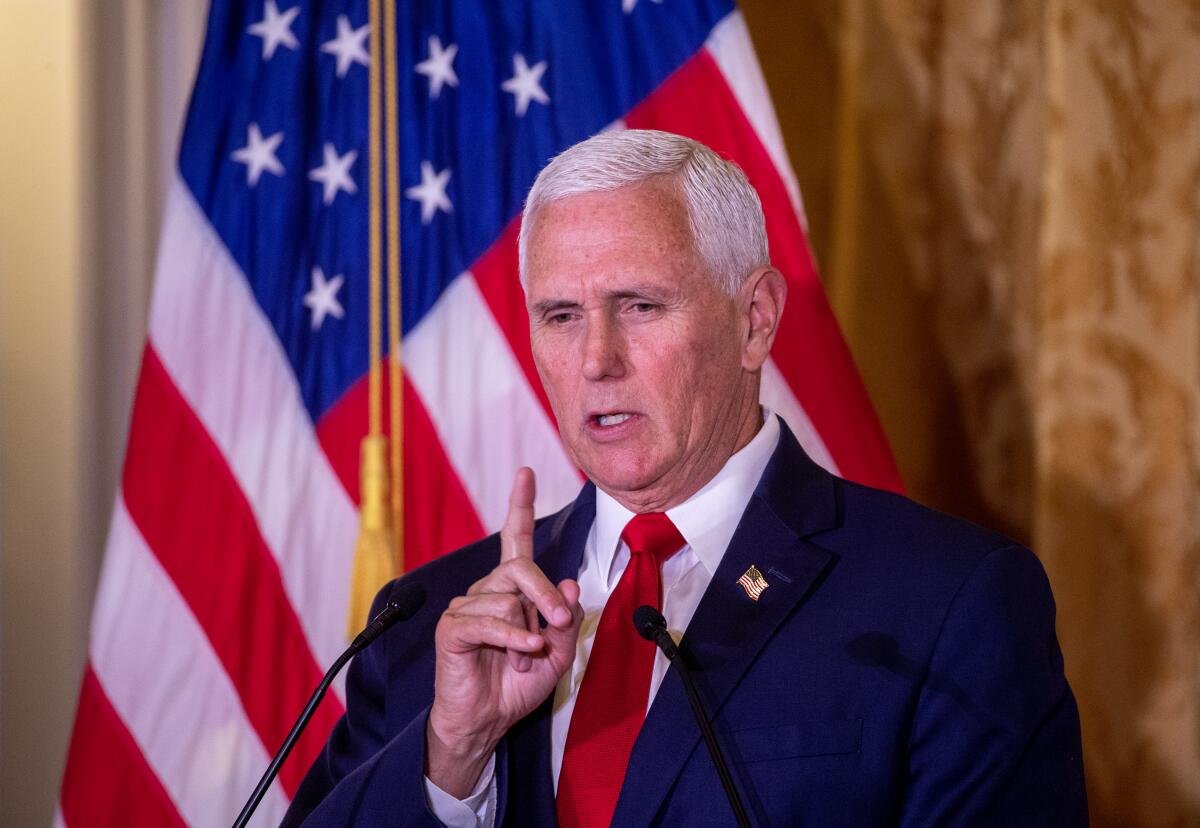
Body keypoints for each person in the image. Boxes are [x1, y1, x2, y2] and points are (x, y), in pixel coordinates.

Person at [284, 129, 1087, 827]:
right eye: (561, 316)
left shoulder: (943, 604)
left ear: (754, 320)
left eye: (639, 305)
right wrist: (451, 755)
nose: (596, 360)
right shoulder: (426, 630)